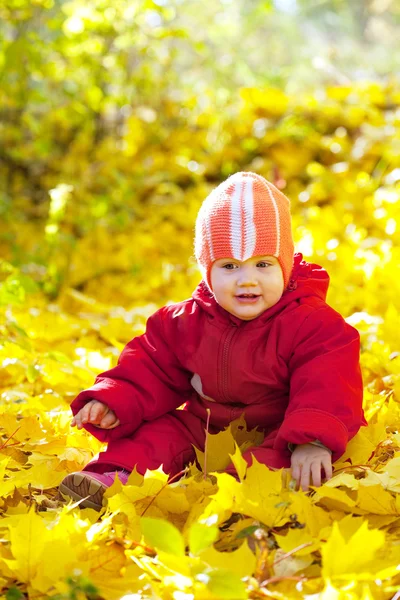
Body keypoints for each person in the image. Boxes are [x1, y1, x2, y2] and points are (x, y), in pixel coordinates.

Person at [59, 171, 366, 511]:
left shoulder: (311, 322)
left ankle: (229, 504)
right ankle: (112, 478)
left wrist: (312, 439)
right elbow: (150, 368)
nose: (247, 280)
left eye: (263, 264)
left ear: (285, 267)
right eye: (230, 266)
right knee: (159, 436)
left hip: (281, 428)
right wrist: (114, 401)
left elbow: (328, 384)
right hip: (204, 424)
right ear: (207, 271)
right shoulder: (184, 322)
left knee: (273, 466)